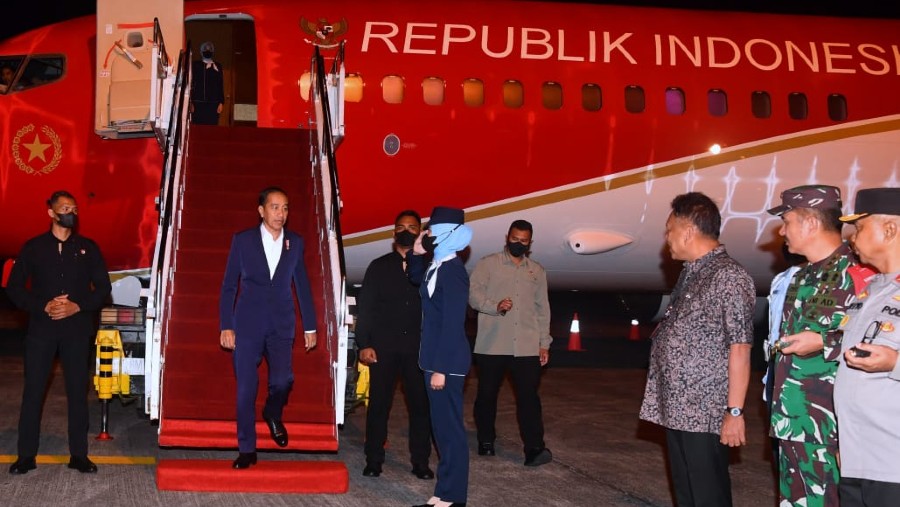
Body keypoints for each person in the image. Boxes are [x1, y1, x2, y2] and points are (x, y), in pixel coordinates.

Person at [639, 192, 755, 507]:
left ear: (688, 230)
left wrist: (734, 412)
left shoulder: (728, 276)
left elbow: (740, 347)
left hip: (704, 411)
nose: (667, 239)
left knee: (708, 495)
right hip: (678, 408)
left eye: (670, 230)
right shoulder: (692, 272)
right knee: (687, 493)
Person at [6, 191, 112, 475]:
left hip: (76, 331)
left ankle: (79, 455)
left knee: (78, 392)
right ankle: (26, 455)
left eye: (74, 209)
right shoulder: (33, 248)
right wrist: (43, 305)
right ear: (51, 213)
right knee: (33, 392)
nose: (71, 213)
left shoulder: (88, 248)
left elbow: (103, 289)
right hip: (41, 331)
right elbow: (14, 289)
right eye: (65, 208)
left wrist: (78, 306)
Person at [766, 184, 857, 507]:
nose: (782, 230)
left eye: (787, 221)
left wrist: (825, 342)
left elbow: (882, 336)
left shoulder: (858, 272)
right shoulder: (801, 277)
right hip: (793, 418)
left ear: (810, 223)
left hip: (830, 425)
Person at [219, 186, 318, 469]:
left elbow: (303, 286)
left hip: (282, 323)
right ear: (261, 210)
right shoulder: (243, 241)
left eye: (285, 208)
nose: (281, 214)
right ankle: (247, 449)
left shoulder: (295, 243)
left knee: (283, 381)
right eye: (275, 207)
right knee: (246, 389)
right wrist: (227, 324)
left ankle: (272, 412)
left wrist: (309, 326)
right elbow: (228, 286)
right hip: (248, 323)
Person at [355, 210, 434, 480]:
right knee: (378, 406)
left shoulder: (430, 266)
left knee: (421, 408)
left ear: (420, 232)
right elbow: (365, 309)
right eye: (400, 227)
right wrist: (363, 344)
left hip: (418, 349)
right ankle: (374, 460)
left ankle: (421, 462)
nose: (406, 232)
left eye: (412, 227)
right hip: (383, 347)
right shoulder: (378, 266)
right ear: (393, 234)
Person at [834, 187, 900, 507]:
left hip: (893, 465)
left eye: (859, 227)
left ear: (890, 229)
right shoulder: (871, 290)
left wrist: (895, 363)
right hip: (857, 460)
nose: (851, 238)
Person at [469, 219, 553, 466]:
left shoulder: (536, 271)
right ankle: (486, 440)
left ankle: (534, 449)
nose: (518, 244)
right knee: (486, 395)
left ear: (530, 242)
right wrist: (494, 307)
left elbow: (542, 309)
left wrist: (544, 342)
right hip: (492, 344)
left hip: (526, 346)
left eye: (523, 241)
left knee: (529, 398)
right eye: (514, 239)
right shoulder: (488, 264)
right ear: (507, 237)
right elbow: (473, 295)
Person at [407, 206, 473, 507]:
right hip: (432, 359)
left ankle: (453, 496)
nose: (427, 235)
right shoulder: (438, 264)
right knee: (441, 429)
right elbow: (416, 281)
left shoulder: (454, 272)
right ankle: (444, 492)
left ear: (447, 233)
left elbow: (452, 322)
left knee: (450, 432)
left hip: (446, 363)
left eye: (431, 231)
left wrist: (441, 369)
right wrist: (417, 251)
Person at [190, 41, 225, 125]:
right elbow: (191, 83)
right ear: (201, 51)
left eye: (209, 49)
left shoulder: (217, 66)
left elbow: (220, 84)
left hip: (213, 104)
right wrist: (190, 101)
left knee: (211, 129)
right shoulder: (196, 65)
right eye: (205, 49)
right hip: (198, 103)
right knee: (198, 128)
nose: (207, 51)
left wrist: (221, 102)